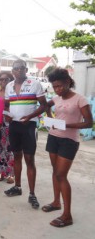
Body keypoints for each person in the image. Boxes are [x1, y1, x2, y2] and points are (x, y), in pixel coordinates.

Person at [43, 68, 93, 227]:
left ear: (67, 82)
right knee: (55, 172)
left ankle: (67, 215)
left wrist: (65, 125)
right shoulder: (56, 98)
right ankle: (56, 202)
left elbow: (88, 122)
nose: (57, 90)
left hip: (69, 141)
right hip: (53, 137)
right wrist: (50, 119)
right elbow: (45, 105)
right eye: (54, 87)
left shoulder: (80, 99)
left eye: (59, 86)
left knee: (61, 175)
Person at [4, 59, 47, 209]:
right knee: (16, 156)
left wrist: (29, 117)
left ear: (26, 69)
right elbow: (6, 105)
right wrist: (6, 115)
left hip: (29, 125)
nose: (19, 70)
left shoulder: (35, 84)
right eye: (16, 68)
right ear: (12, 71)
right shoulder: (9, 86)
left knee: (29, 159)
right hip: (14, 125)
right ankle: (17, 187)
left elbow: (44, 105)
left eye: (22, 68)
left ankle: (32, 194)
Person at [0, 72, 15, 184]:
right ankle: (1, 172)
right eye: (1, 79)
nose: (3, 82)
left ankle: (11, 173)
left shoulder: (13, 92)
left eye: (6, 79)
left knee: (10, 149)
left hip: (10, 123)